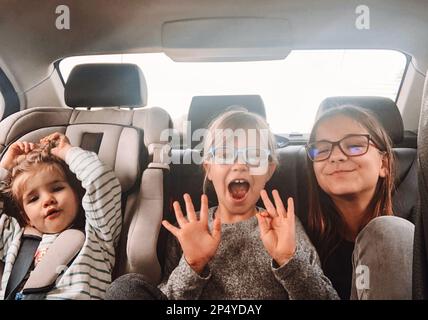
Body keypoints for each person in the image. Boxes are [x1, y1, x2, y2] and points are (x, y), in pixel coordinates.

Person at [106, 109, 338, 300]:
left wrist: (289, 260)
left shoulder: (284, 226)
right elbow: (170, 300)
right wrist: (192, 264)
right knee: (126, 287)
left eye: (254, 155)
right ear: (209, 169)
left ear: (269, 170)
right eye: (225, 154)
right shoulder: (190, 227)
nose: (240, 165)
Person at [305, 105, 414, 299]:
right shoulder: (303, 239)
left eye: (355, 145)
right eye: (322, 150)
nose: (336, 156)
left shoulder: (416, 224)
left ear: (384, 164)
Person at [0, 132, 122, 299]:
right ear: (26, 216)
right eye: (34, 199)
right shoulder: (15, 238)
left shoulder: (97, 233)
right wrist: (4, 168)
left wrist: (66, 151)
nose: (48, 200)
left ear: (76, 195)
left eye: (57, 188)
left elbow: (99, 177)